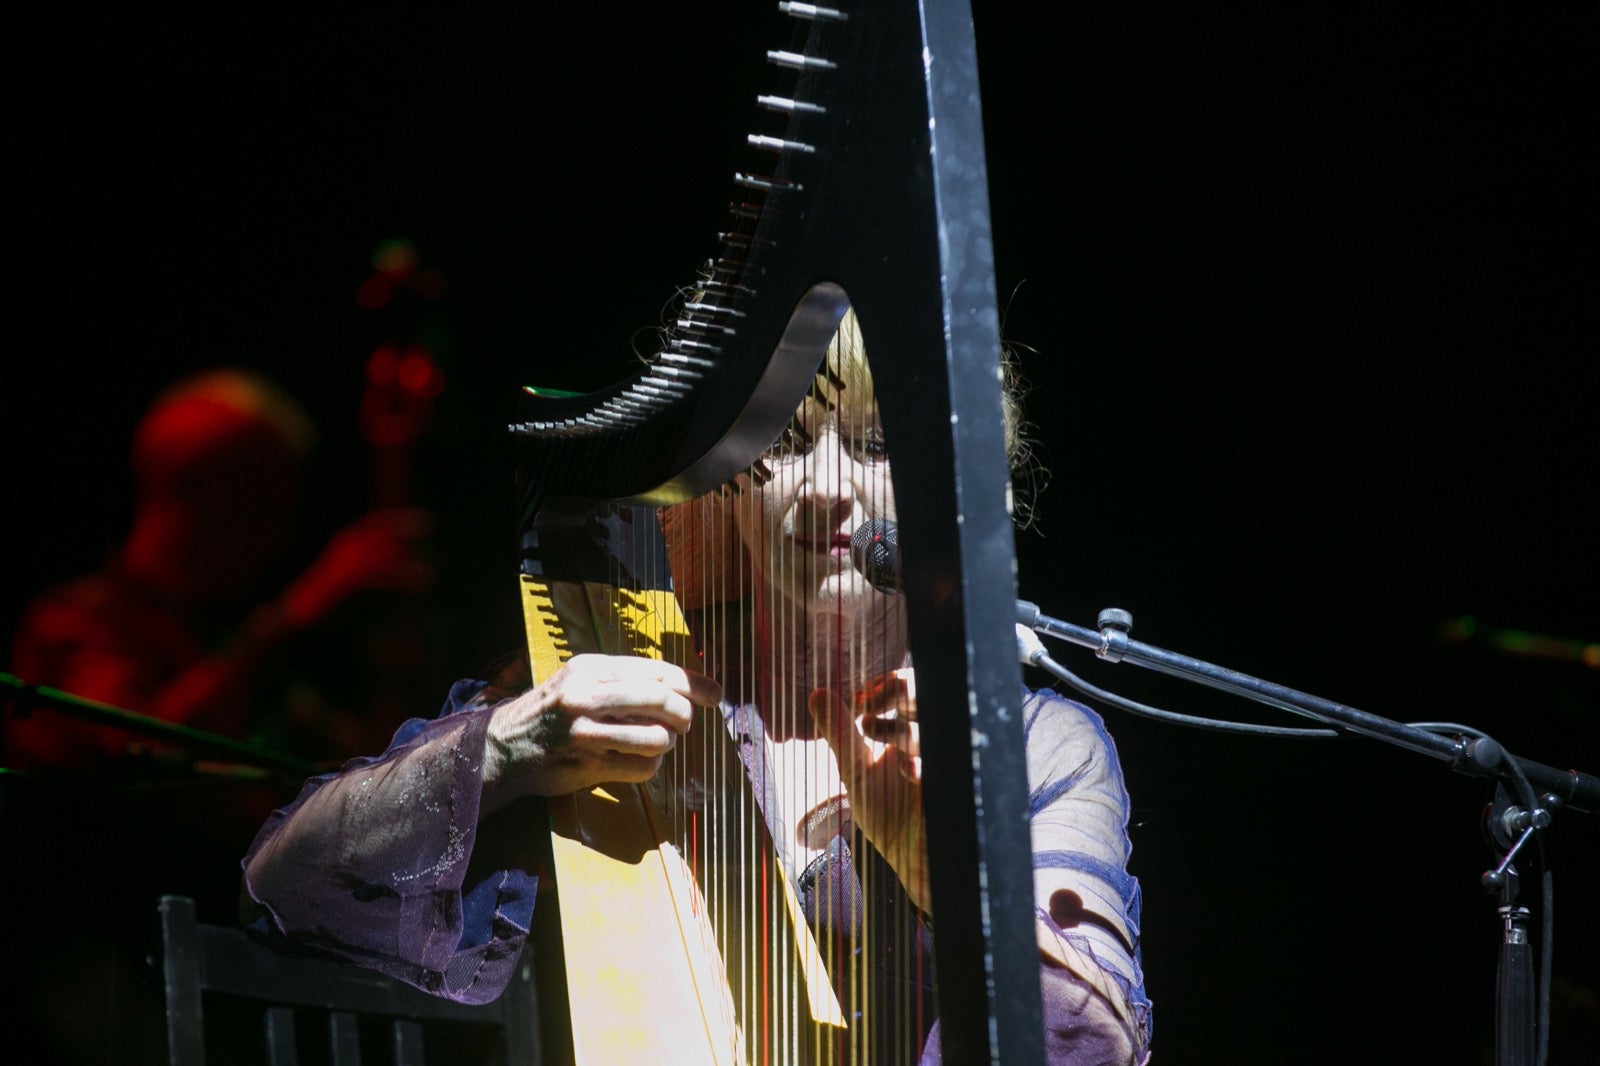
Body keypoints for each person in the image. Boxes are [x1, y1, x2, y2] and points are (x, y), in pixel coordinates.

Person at [240, 311, 1152, 1063]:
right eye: (787, 445)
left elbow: (1083, 1044)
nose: (829, 488)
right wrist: (506, 751)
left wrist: (946, 873)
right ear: (722, 486)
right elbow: (290, 885)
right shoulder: (615, 687)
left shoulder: (1037, 743)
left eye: (875, 445)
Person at [4, 366, 437, 780]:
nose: (275, 540)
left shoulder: (214, 634)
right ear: (192, 492)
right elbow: (141, 752)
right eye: (258, 508)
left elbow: (357, 765)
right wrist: (296, 613)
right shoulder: (72, 626)